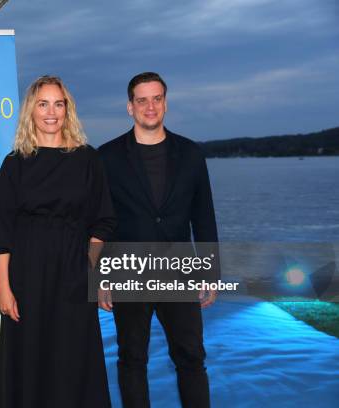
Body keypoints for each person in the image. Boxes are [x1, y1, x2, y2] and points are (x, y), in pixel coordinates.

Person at [0, 76, 115, 408]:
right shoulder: (14, 164)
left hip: (74, 276)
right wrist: (4, 287)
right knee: (29, 362)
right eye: (43, 104)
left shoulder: (88, 159)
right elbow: (1, 234)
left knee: (74, 363)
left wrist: (91, 268)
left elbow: (103, 221)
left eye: (58, 104)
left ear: (67, 110)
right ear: (31, 110)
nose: (51, 112)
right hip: (27, 278)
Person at [98, 72, 219, 408]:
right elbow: (100, 221)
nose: (150, 106)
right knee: (132, 359)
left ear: (165, 103)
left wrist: (210, 271)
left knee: (192, 357)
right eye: (142, 100)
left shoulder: (191, 154)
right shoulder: (106, 157)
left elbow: (204, 216)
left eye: (156, 98)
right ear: (130, 107)